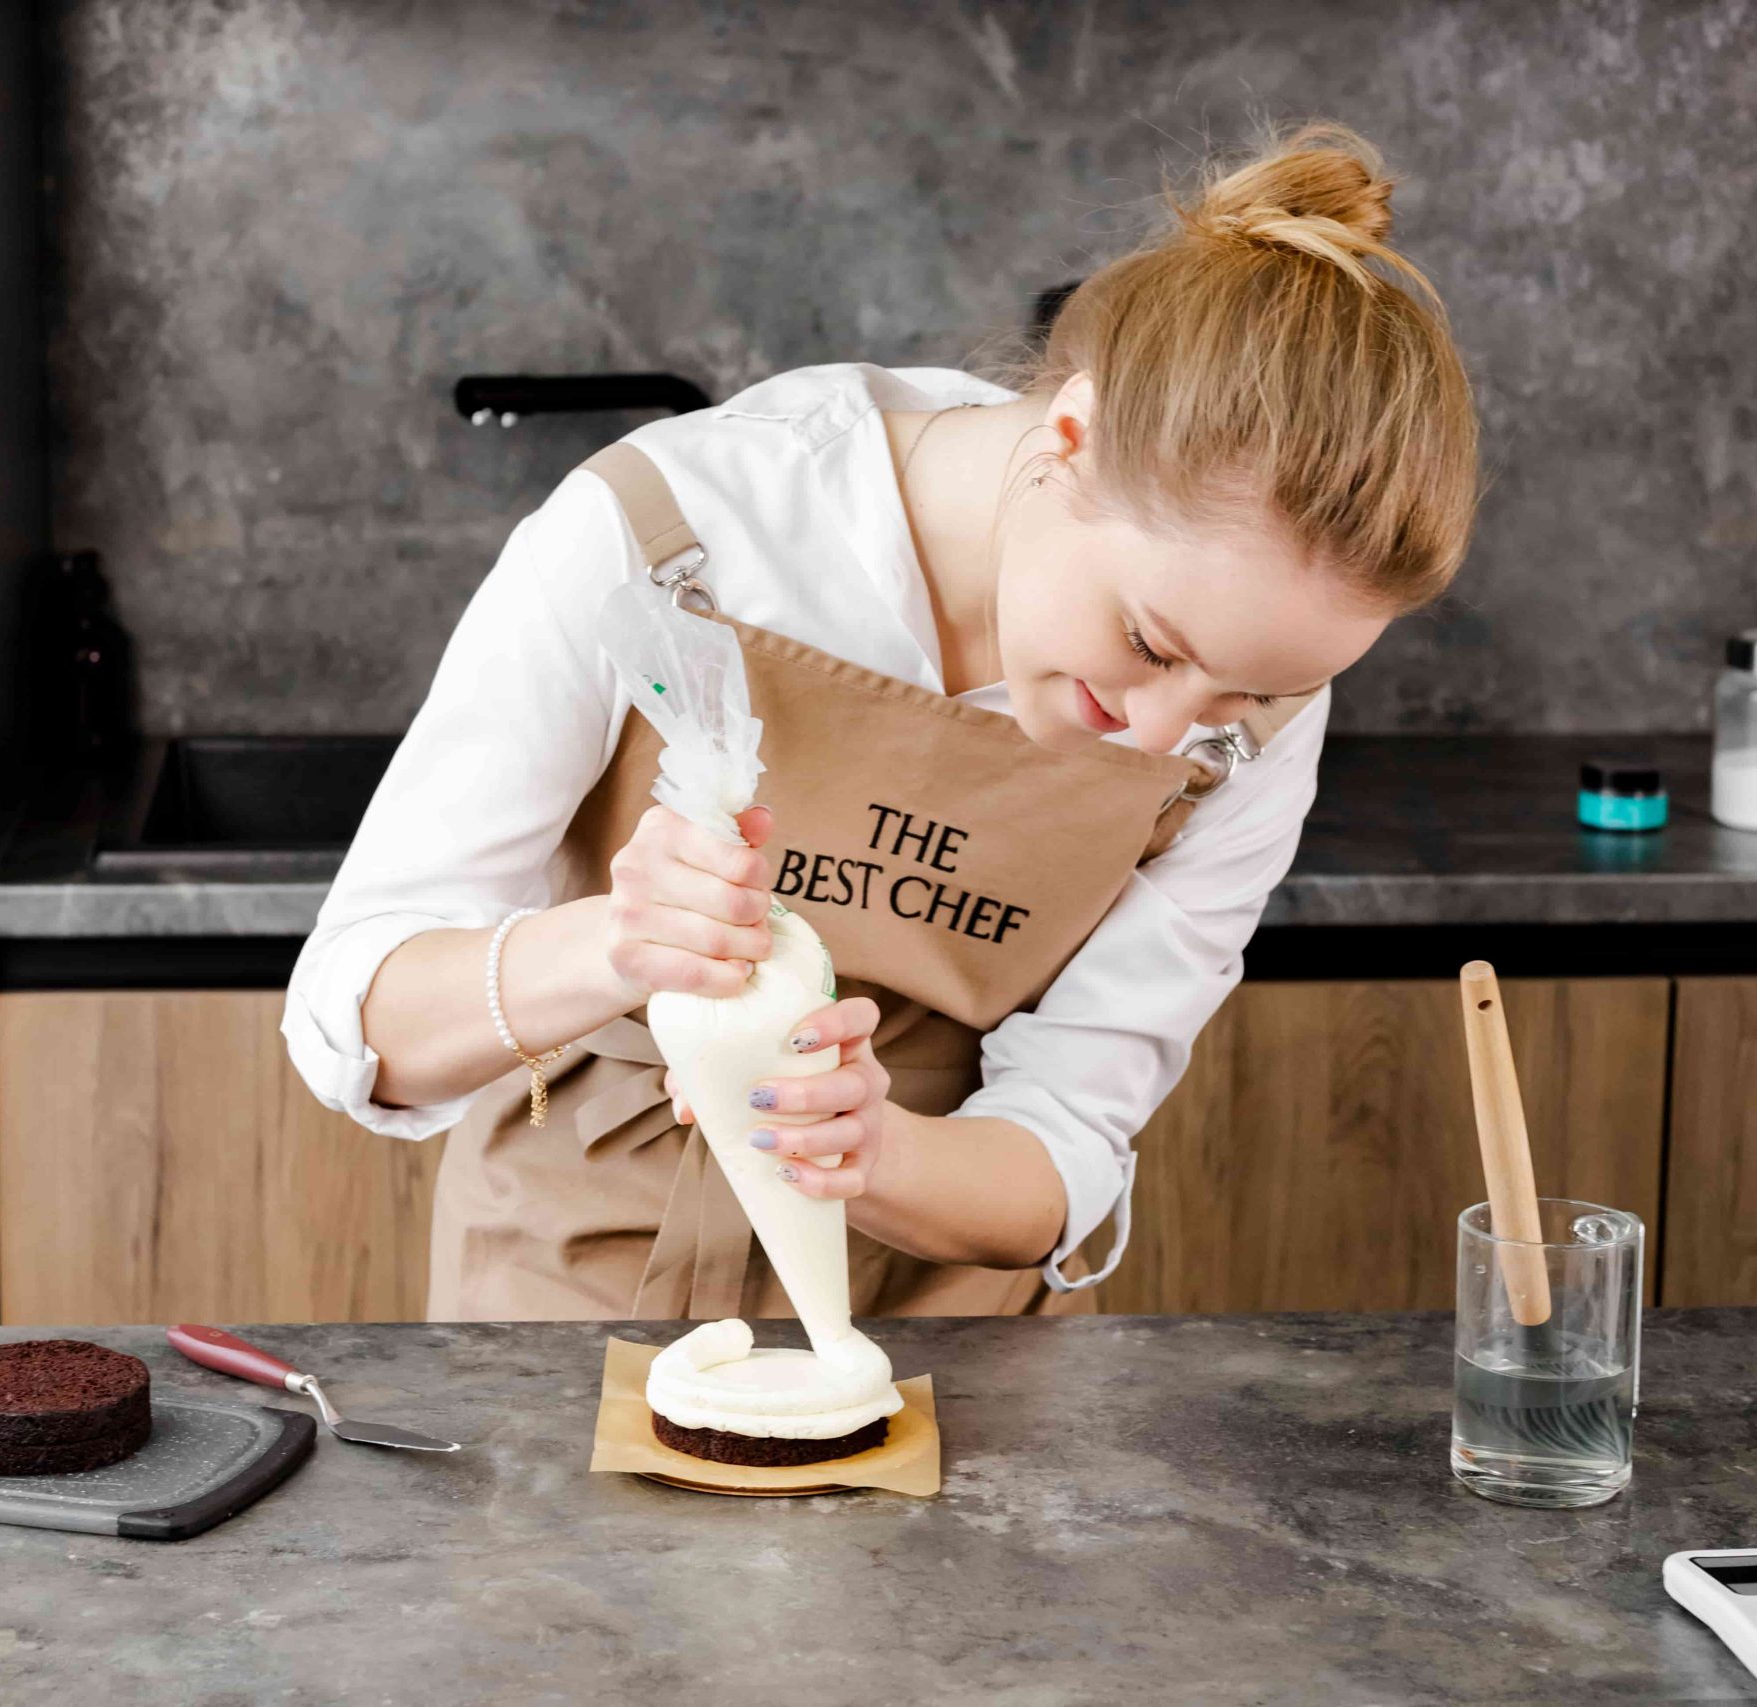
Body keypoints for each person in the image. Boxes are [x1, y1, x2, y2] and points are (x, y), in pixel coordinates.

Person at [284, 122, 1479, 1324]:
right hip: (568, 1291)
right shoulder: (669, 528)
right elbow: (356, 1021)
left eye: (1241, 696)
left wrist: (878, 1153)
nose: (1161, 737)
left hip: (952, 1333)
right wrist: (616, 944)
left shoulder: (1252, 712)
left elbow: (1065, 1136)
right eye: (1150, 647)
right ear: (1070, 438)